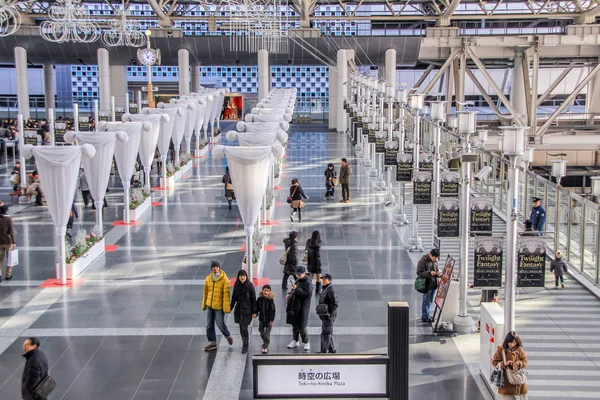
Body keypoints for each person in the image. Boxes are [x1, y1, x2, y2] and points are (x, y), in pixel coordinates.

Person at [202, 261, 233, 351]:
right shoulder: (208, 278)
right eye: (213, 267)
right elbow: (205, 292)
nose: (215, 269)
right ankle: (212, 342)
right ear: (211, 268)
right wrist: (204, 304)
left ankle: (228, 335)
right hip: (210, 305)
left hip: (219, 306)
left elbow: (226, 295)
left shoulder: (225, 280)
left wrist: (226, 308)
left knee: (220, 323)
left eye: (216, 267)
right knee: (209, 324)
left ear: (219, 268)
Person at [492, 331, 528, 399]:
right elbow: (494, 362)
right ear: (507, 341)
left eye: (514, 342)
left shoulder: (519, 349)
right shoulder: (501, 350)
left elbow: (525, 361)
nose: (512, 344)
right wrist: (504, 364)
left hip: (519, 381)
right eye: (511, 342)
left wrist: (518, 363)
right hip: (506, 383)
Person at [286, 266, 313, 351]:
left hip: (303, 307)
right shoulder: (298, 280)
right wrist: (290, 293)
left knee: (302, 325)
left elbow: (306, 294)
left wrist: (296, 289)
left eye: (299, 274)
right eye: (297, 274)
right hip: (295, 306)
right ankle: (295, 340)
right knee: (294, 324)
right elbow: (294, 291)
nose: (297, 276)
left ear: (304, 273)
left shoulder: (308, 283)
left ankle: (306, 342)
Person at [230, 270, 257, 354]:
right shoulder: (237, 285)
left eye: (244, 276)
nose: (242, 277)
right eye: (241, 276)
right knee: (241, 327)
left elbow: (253, 299)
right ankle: (244, 342)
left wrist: (254, 312)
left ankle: (245, 344)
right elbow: (234, 297)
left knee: (244, 328)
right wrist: (230, 307)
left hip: (247, 310)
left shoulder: (250, 286)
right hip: (239, 309)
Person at [416, 248, 440, 323]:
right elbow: (419, 273)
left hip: (434, 284)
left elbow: (436, 270)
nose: (435, 259)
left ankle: (427, 314)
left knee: (430, 301)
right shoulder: (423, 261)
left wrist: (437, 273)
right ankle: (425, 316)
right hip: (427, 284)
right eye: (435, 257)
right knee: (426, 301)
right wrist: (429, 273)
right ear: (431, 255)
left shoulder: (435, 261)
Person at [318, 273, 338, 354]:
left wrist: (330, 313)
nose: (323, 280)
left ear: (329, 280)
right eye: (322, 279)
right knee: (327, 332)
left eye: (325, 279)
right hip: (325, 315)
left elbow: (335, 303)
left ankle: (324, 351)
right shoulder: (326, 288)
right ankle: (332, 349)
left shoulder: (331, 289)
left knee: (326, 333)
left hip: (328, 316)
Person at [256, 284, 276, 354]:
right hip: (261, 319)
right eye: (265, 290)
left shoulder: (270, 300)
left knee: (267, 334)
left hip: (268, 320)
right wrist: (255, 313)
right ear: (262, 290)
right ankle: (265, 340)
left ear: (269, 292)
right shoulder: (259, 299)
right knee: (261, 331)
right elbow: (257, 307)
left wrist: (271, 320)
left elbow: (273, 311)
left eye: (267, 291)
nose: (266, 292)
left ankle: (265, 346)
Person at [0, 205, 16, 282]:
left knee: (0, 260)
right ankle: (8, 275)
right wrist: (14, 242)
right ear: (6, 211)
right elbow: (12, 232)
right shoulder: (9, 219)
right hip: (8, 242)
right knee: (10, 259)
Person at [306, 230, 323, 295]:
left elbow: (306, 249)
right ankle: (317, 291)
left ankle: (308, 289)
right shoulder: (318, 245)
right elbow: (318, 256)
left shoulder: (308, 241)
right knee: (318, 278)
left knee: (311, 277)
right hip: (317, 263)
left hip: (310, 261)